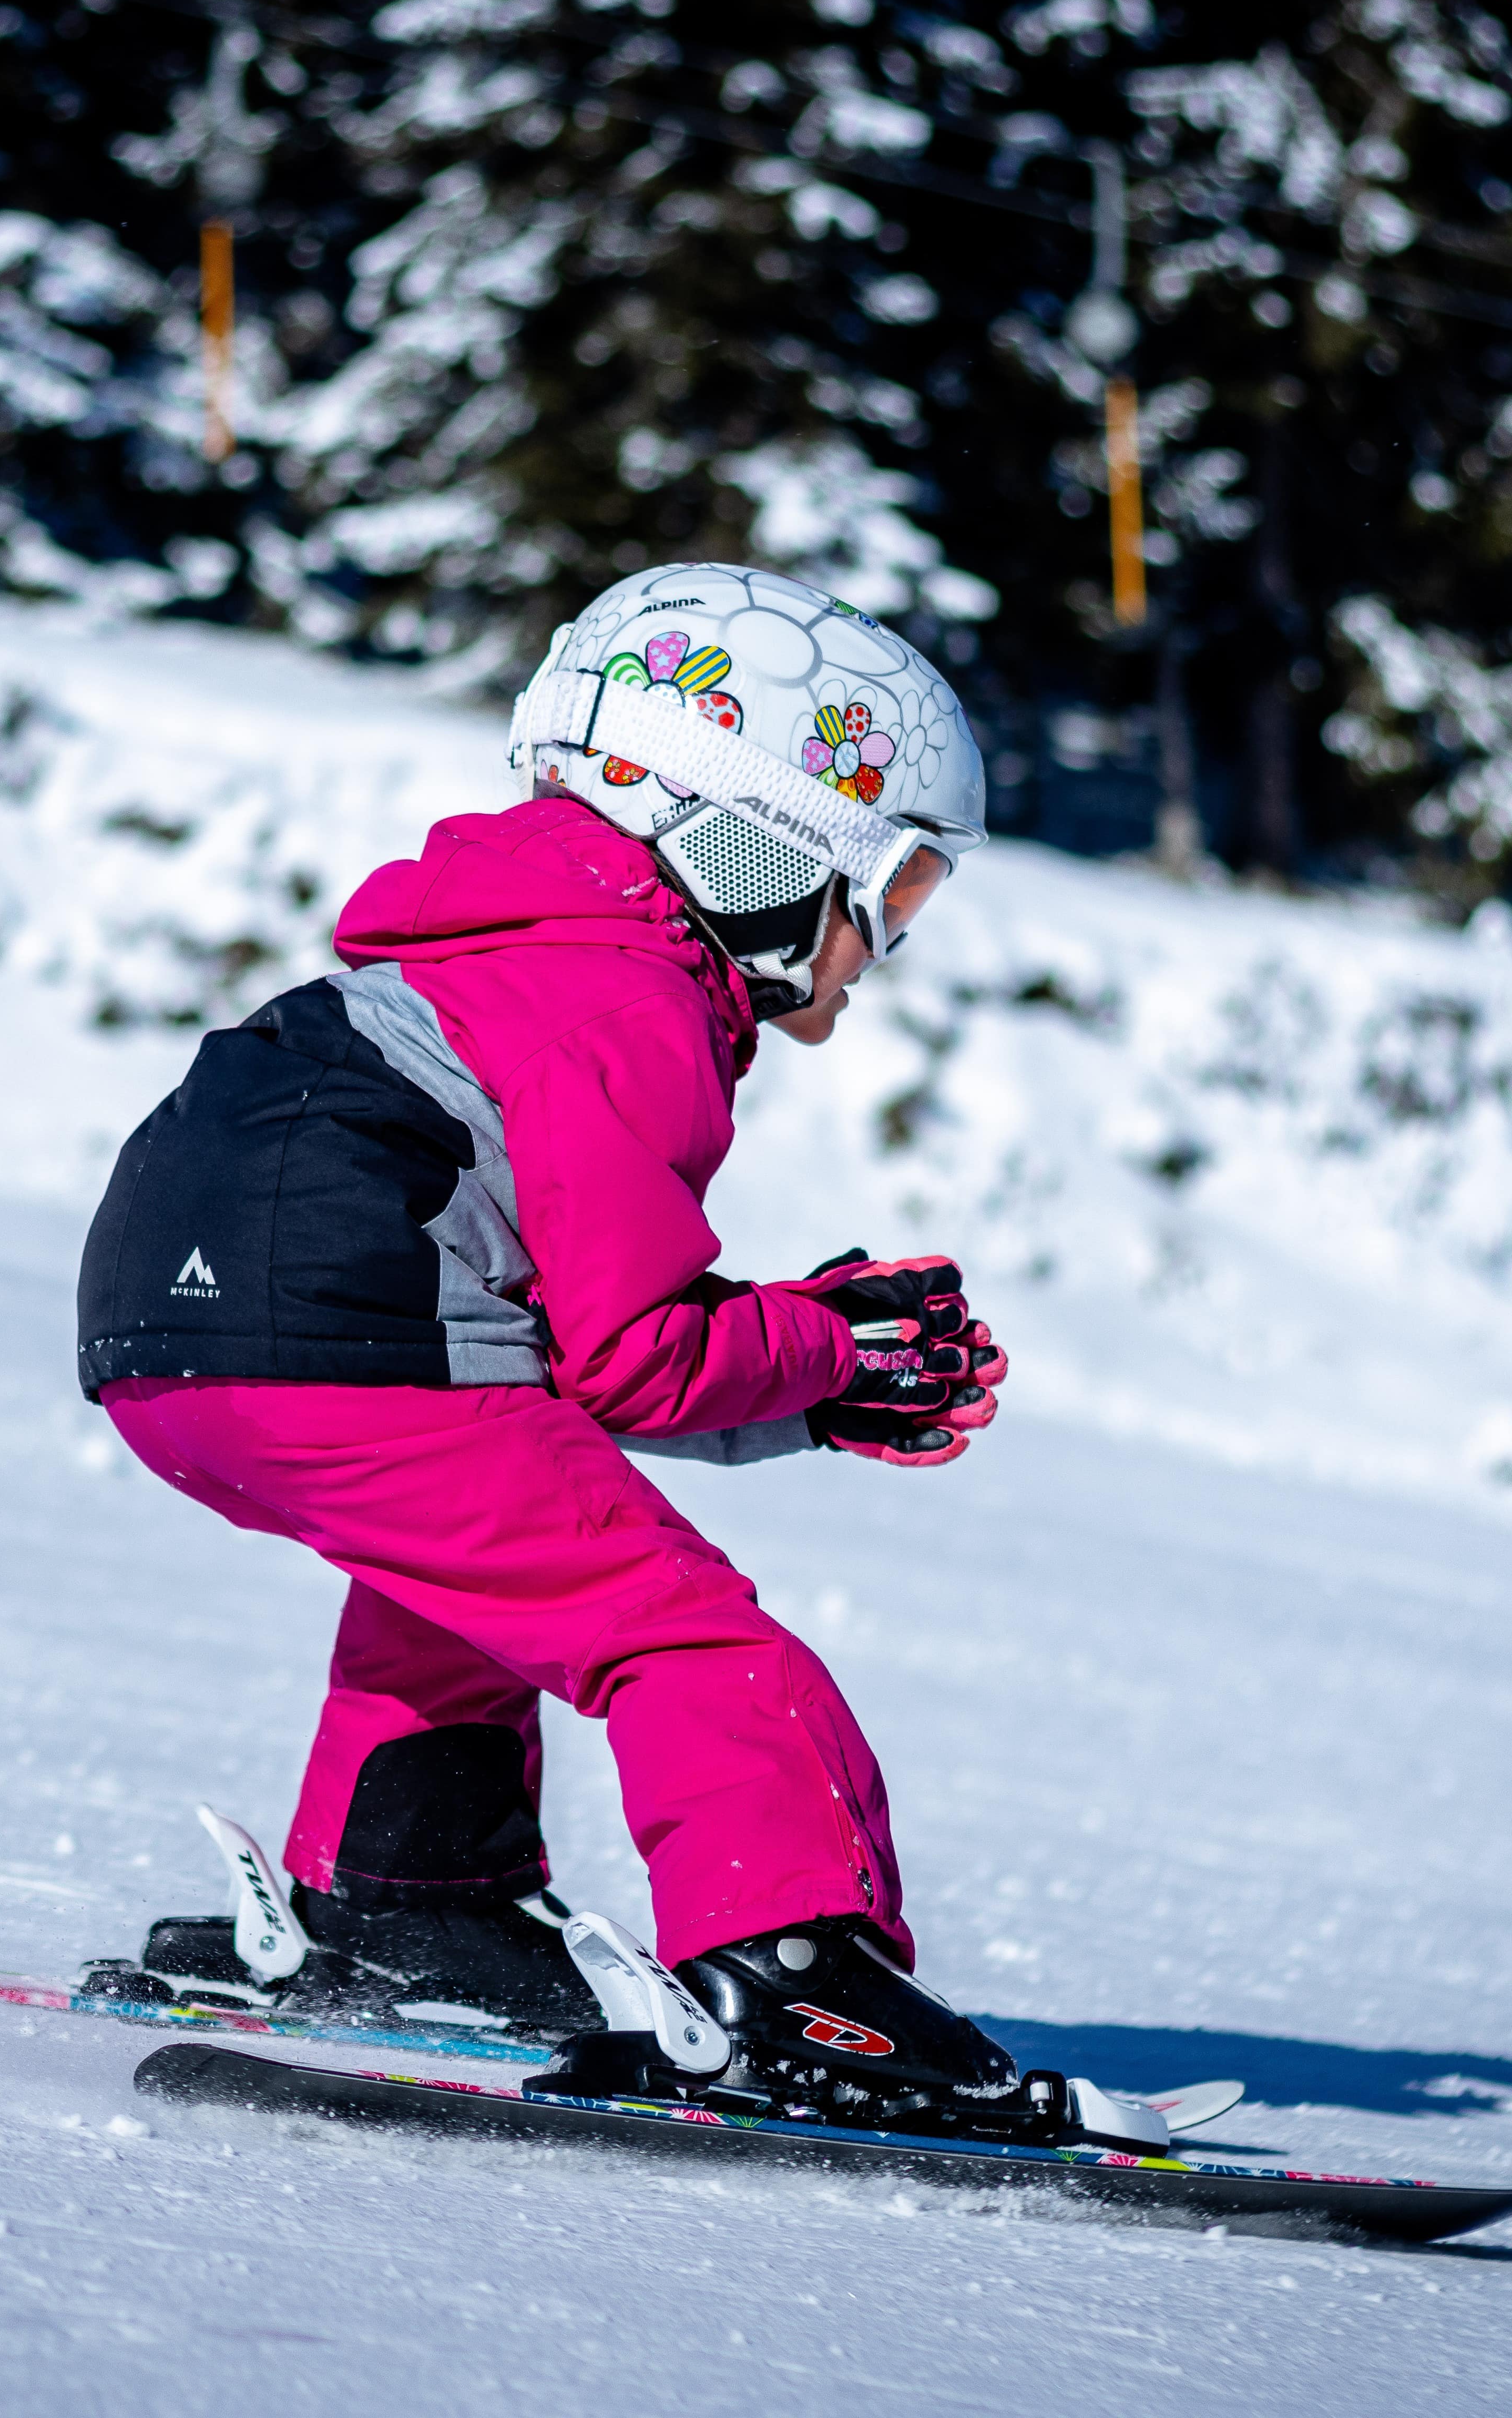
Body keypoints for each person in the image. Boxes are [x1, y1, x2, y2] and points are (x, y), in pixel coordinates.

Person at [74, 563, 1016, 2113]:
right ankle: (798, 1981)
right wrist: (833, 1355)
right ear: (763, 843)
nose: (879, 951)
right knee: (690, 1639)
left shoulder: (494, 954)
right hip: (336, 1339)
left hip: (172, 1347)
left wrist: (797, 1371)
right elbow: (633, 1355)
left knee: (472, 1565)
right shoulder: (629, 998)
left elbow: (560, 1365)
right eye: (896, 892)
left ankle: (416, 1901)